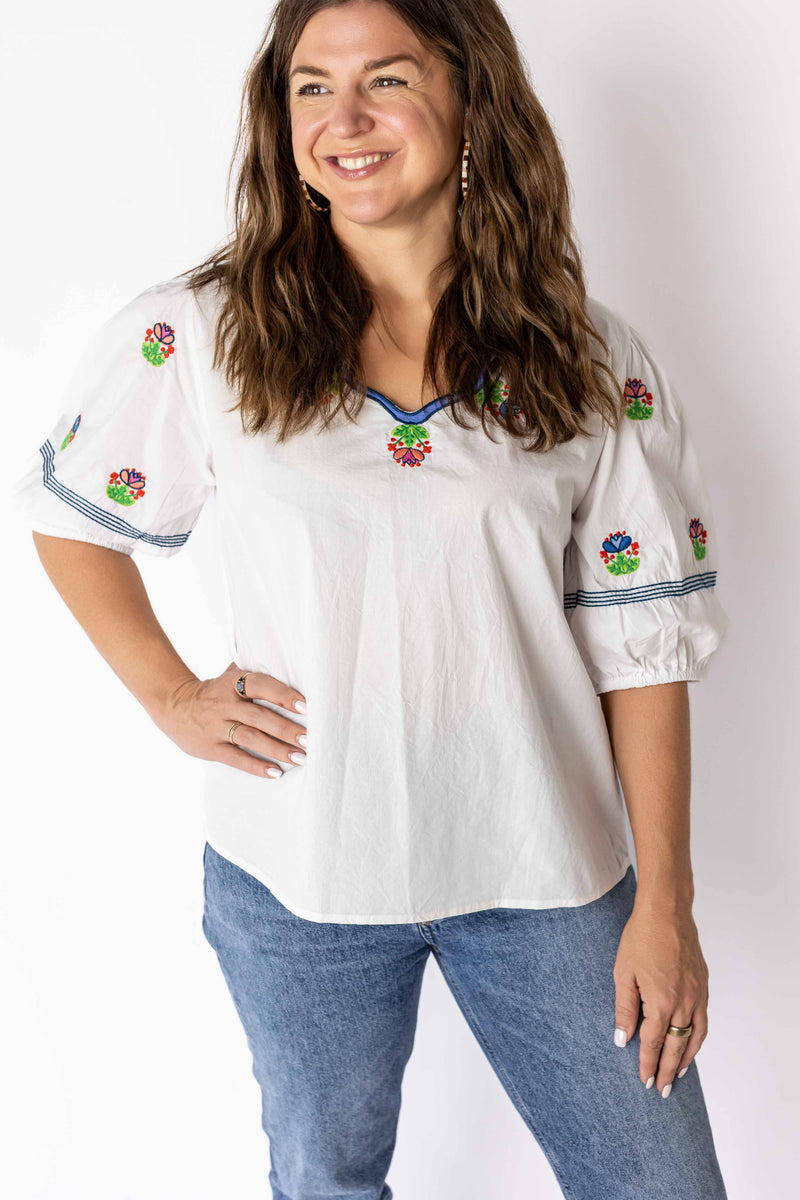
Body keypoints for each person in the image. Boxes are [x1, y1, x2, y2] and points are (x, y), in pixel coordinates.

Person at [12, 1, 732, 1196]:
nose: (342, 118)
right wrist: (174, 696)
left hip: (544, 871)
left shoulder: (590, 359)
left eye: (385, 78)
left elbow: (642, 642)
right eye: (309, 86)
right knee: (327, 1182)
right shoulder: (200, 333)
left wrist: (666, 905)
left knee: (659, 1182)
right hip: (300, 873)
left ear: (466, 105)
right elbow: (70, 519)